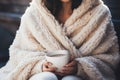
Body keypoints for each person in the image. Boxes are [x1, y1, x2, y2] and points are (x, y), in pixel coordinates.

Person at [0, 0, 119, 80]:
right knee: (45, 78)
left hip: (81, 76)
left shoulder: (99, 13)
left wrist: (80, 67)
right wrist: (39, 65)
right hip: (41, 73)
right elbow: (18, 52)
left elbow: (109, 58)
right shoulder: (34, 12)